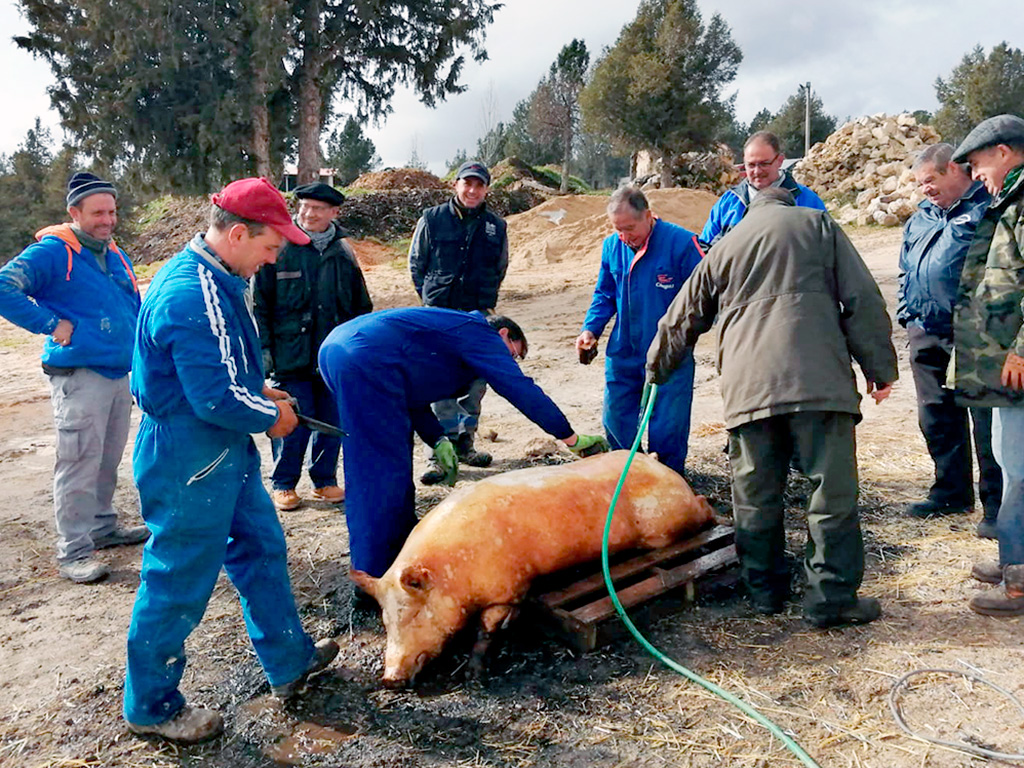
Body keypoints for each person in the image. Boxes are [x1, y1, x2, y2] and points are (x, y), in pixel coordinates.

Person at [124, 178, 338, 744]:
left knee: (261, 546)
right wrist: (271, 416)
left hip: (219, 446)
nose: (273, 259)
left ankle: (289, 660)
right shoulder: (192, 294)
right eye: (269, 247)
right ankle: (151, 705)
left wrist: (258, 388)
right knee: (178, 577)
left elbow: (218, 369)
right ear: (238, 234)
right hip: (188, 454)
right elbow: (214, 399)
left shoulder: (219, 277)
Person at [647, 187, 898, 627]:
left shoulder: (726, 245)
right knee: (829, 492)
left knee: (755, 496)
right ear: (789, 202)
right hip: (818, 382)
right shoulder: (817, 224)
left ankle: (764, 592)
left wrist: (656, 368)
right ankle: (830, 600)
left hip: (749, 390)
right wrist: (879, 367)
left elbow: (681, 315)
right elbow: (861, 297)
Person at [318, 308, 610, 580]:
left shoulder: (452, 331)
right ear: (504, 334)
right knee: (378, 470)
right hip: (362, 358)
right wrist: (570, 438)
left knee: (394, 462)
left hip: (344, 351)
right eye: (513, 354)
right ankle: (373, 576)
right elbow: (519, 389)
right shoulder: (480, 333)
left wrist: (437, 438)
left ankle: (400, 548)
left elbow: (409, 394)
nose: (508, 361)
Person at [0, 172, 148, 584]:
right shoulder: (52, 252)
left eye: (112, 212)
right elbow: (3, 286)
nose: (108, 220)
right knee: (79, 462)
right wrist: (51, 324)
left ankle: (102, 527)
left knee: (107, 457)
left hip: (117, 372)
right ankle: (74, 551)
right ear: (74, 213)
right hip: (79, 375)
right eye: (98, 213)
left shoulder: (112, 252)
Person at [898, 143, 1002, 533]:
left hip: (975, 333)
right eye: (920, 184)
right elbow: (906, 267)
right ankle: (951, 493)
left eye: (930, 181)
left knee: (986, 423)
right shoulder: (921, 218)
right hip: (927, 331)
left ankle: (996, 507)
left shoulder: (988, 209)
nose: (924, 189)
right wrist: (908, 314)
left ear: (954, 170)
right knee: (936, 417)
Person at [253, 181, 372, 511]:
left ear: (334, 212)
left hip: (333, 356)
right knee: (292, 419)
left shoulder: (343, 253)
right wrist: (264, 349)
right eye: (304, 206)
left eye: (318, 209)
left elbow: (361, 306)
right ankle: (284, 483)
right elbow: (259, 304)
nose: (309, 213)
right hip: (290, 355)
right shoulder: (279, 247)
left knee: (332, 418)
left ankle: (324, 480)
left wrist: (359, 350)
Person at [948, 115, 1024, 617]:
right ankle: (1013, 557)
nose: (976, 176)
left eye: (977, 165)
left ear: (1003, 152)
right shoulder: (1011, 200)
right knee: (1006, 455)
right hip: (1003, 364)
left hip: (1017, 362)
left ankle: (1019, 579)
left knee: (1020, 470)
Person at [576, 185, 704, 475]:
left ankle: (669, 479)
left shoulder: (682, 244)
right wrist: (590, 329)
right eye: (618, 229)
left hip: (669, 353)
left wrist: (683, 337)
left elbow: (704, 296)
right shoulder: (612, 246)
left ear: (648, 215)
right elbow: (605, 294)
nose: (624, 237)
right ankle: (630, 476)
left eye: (630, 228)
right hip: (624, 350)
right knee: (616, 418)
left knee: (667, 425)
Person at [409, 160, 509, 481]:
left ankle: (466, 445)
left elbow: (500, 268)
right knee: (439, 385)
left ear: (486, 189)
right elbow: (417, 264)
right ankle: (438, 455)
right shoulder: (432, 219)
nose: (472, 190)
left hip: (476, 317)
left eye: (479, 185)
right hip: (438, 316)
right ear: (455, 185)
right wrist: (431, 301)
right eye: (467, 183)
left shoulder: (496, 227)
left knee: (474, 385)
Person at [701, 131, 826, 247]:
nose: (757, 171)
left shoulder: (807, 201)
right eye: (751, 165)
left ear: (780, 160)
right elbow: (703, 249)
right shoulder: (728, 203)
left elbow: (828, 248)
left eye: (764, 164)